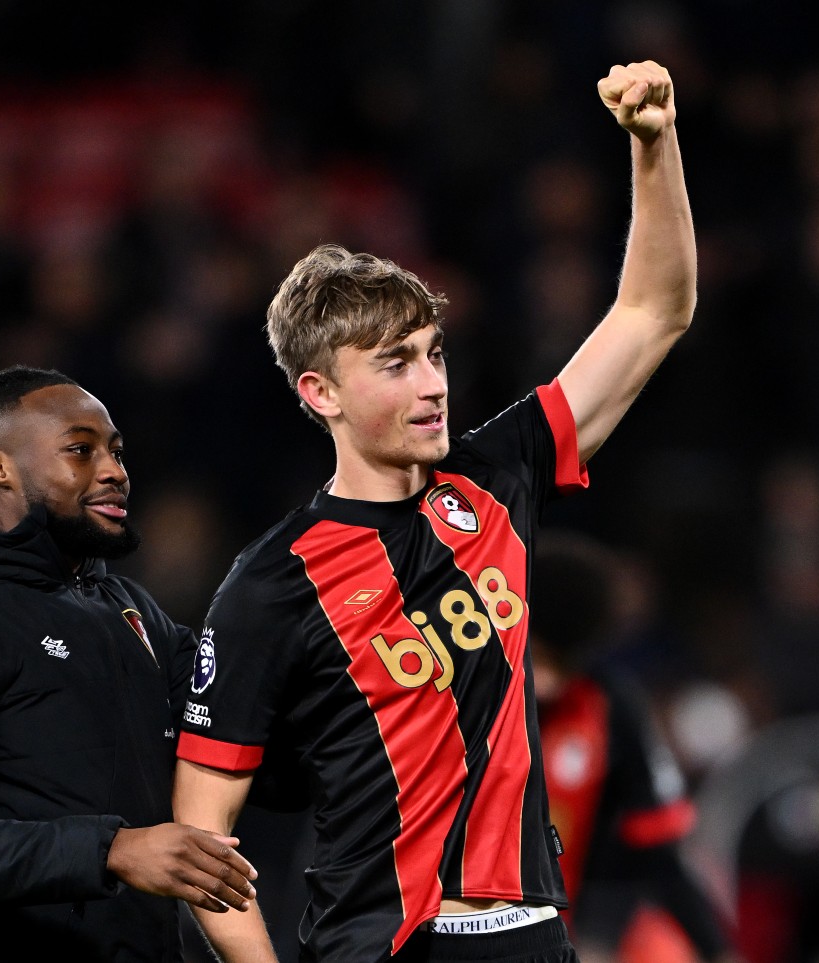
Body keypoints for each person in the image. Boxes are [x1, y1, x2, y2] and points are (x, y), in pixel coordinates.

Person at [171, 59, 696, 963]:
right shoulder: (271, 583)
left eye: (433, 353)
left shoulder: (497, 475)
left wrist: (655, 145)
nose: (431, 386)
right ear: (319, 391)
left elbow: (655, 309)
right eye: (394, 363)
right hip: (385, 946)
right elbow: (200, 832)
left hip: (533, 933)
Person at [0, 365, 259, 963]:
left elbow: (235, 718)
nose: (115, 472)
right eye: (81, 450)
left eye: (117, 453)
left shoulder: (128, 610)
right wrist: (111, 850)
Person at [529, 531, 742, 963]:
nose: (549, 682)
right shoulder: (459, 699)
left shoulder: (610, 706)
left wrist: (719, 951)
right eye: (540, 658)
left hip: (569, 925)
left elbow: (658, 850)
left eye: (563, 663)